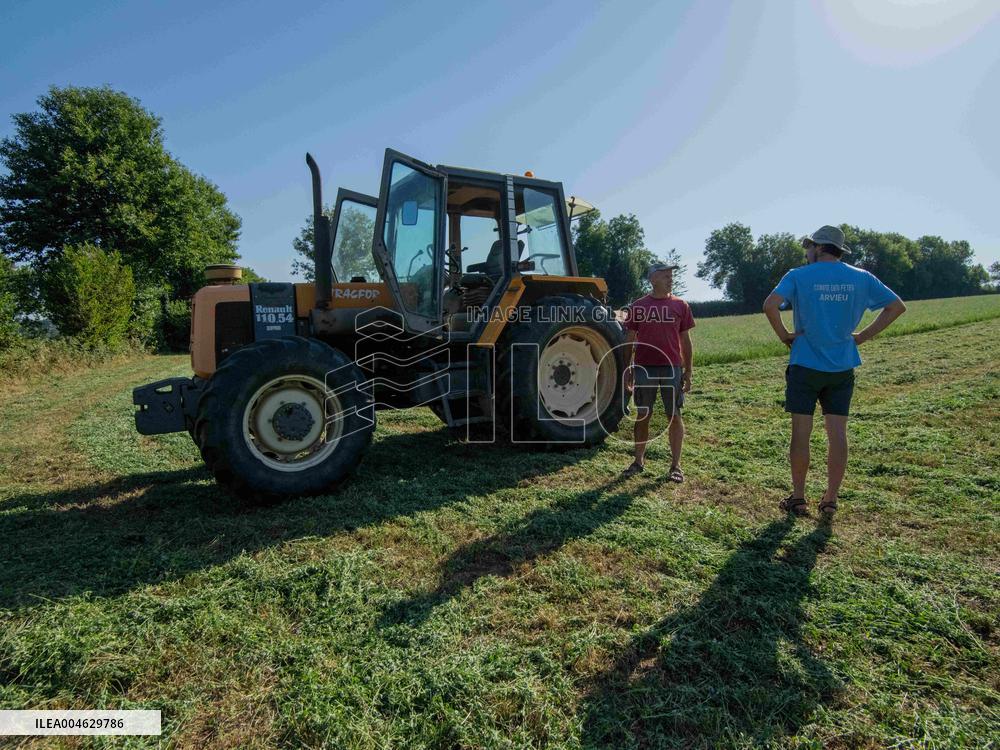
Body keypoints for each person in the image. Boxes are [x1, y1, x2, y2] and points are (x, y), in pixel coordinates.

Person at [762, 225, 906, 517]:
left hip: (804, 363)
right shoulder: (861, 277)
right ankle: (830, 499)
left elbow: (770, 305)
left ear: (818, 247)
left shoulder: (798, 276)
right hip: (842, 366)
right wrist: (861, 336)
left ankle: (799, 498)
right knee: (837, 433)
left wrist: (785, 335)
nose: (806, 253)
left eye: (809, 248)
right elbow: (896, 307)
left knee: (801, 433)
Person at [621, 262, 695, 481]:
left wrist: (688, 370)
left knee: (674, 415)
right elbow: (630, 339)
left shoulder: (681, 305)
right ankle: (638, 461)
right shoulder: (638, 306)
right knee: (644, 414)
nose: (670, 279)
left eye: (671, 275)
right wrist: (628, 368)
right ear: (653, 279)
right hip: (644, 368)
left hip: (672, 367)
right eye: (665, 275)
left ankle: (675, 466)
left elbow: (686, 340)